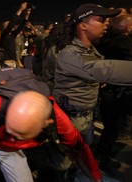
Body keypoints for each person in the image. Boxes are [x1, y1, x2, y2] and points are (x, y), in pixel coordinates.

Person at [52, 3, 132, 146]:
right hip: (71, 120)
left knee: (82, 158)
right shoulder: (70, 53)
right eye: (101, 20)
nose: (106, 24)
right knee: (64, 162)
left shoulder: (89, 49)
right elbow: (104, 69)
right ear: (83, 25)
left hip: (86, 116)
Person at [95, 14, 132, 171]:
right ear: (128, 28)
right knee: (112, 130)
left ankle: (101, 157)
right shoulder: (127, 44)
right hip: (121, 93)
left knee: (109, 128)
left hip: (107, 90)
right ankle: (103, 159)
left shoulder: (103, 43)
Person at [0, 2, 30, 68]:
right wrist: (20, 9)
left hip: (13, 62)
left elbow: (21, 26)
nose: (11, 25)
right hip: (6, 62)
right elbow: (11, 24)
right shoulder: (4, 35)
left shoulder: (12, 35)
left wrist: (27, 15)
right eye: (7, 25)